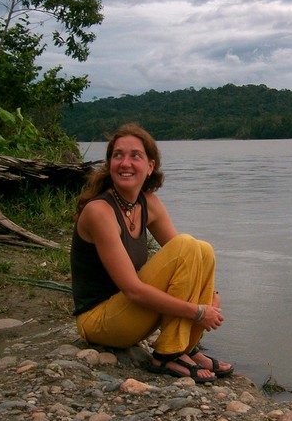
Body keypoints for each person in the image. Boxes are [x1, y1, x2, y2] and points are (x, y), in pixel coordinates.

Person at [70, 123, 233, 383]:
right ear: (109, 164)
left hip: (129, 313)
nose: (125, 163)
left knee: (202, 249)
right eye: (118, 155)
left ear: (149, 167)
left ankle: (185, 348)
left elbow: (191, 259)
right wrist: (198, 312)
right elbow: (133, 290)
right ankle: (169, 354)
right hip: (100, 322)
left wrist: (212, 294)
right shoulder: (99, 211)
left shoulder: (149, 203)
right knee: (187, 246)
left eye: (135, 155)